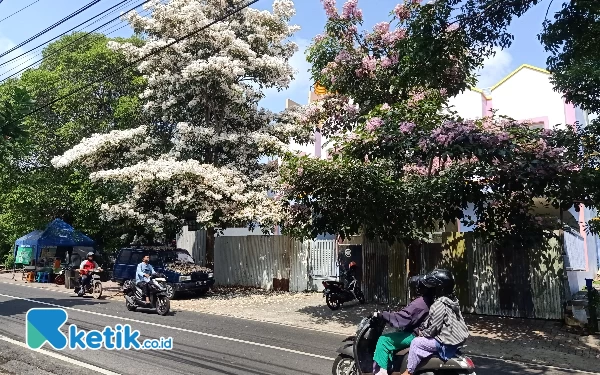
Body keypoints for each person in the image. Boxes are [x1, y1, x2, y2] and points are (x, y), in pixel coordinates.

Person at [401, 269, 469, 375]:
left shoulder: (438, 304)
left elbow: (433, 328)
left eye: (432, 286)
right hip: (455, 339)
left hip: (445, 343)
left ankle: (409, 371)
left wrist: (422, 333)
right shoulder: (453, 301)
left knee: (416, 343)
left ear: (439, 288)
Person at [372, 275, 434, 375]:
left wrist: (382, 315)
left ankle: (381, 373)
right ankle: (392, 366)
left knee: (383, 340)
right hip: (419, 331)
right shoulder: (427, 300)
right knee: (394, 335)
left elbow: (402, 318)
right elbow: (408, 314)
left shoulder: (419, 302)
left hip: (414, 334)